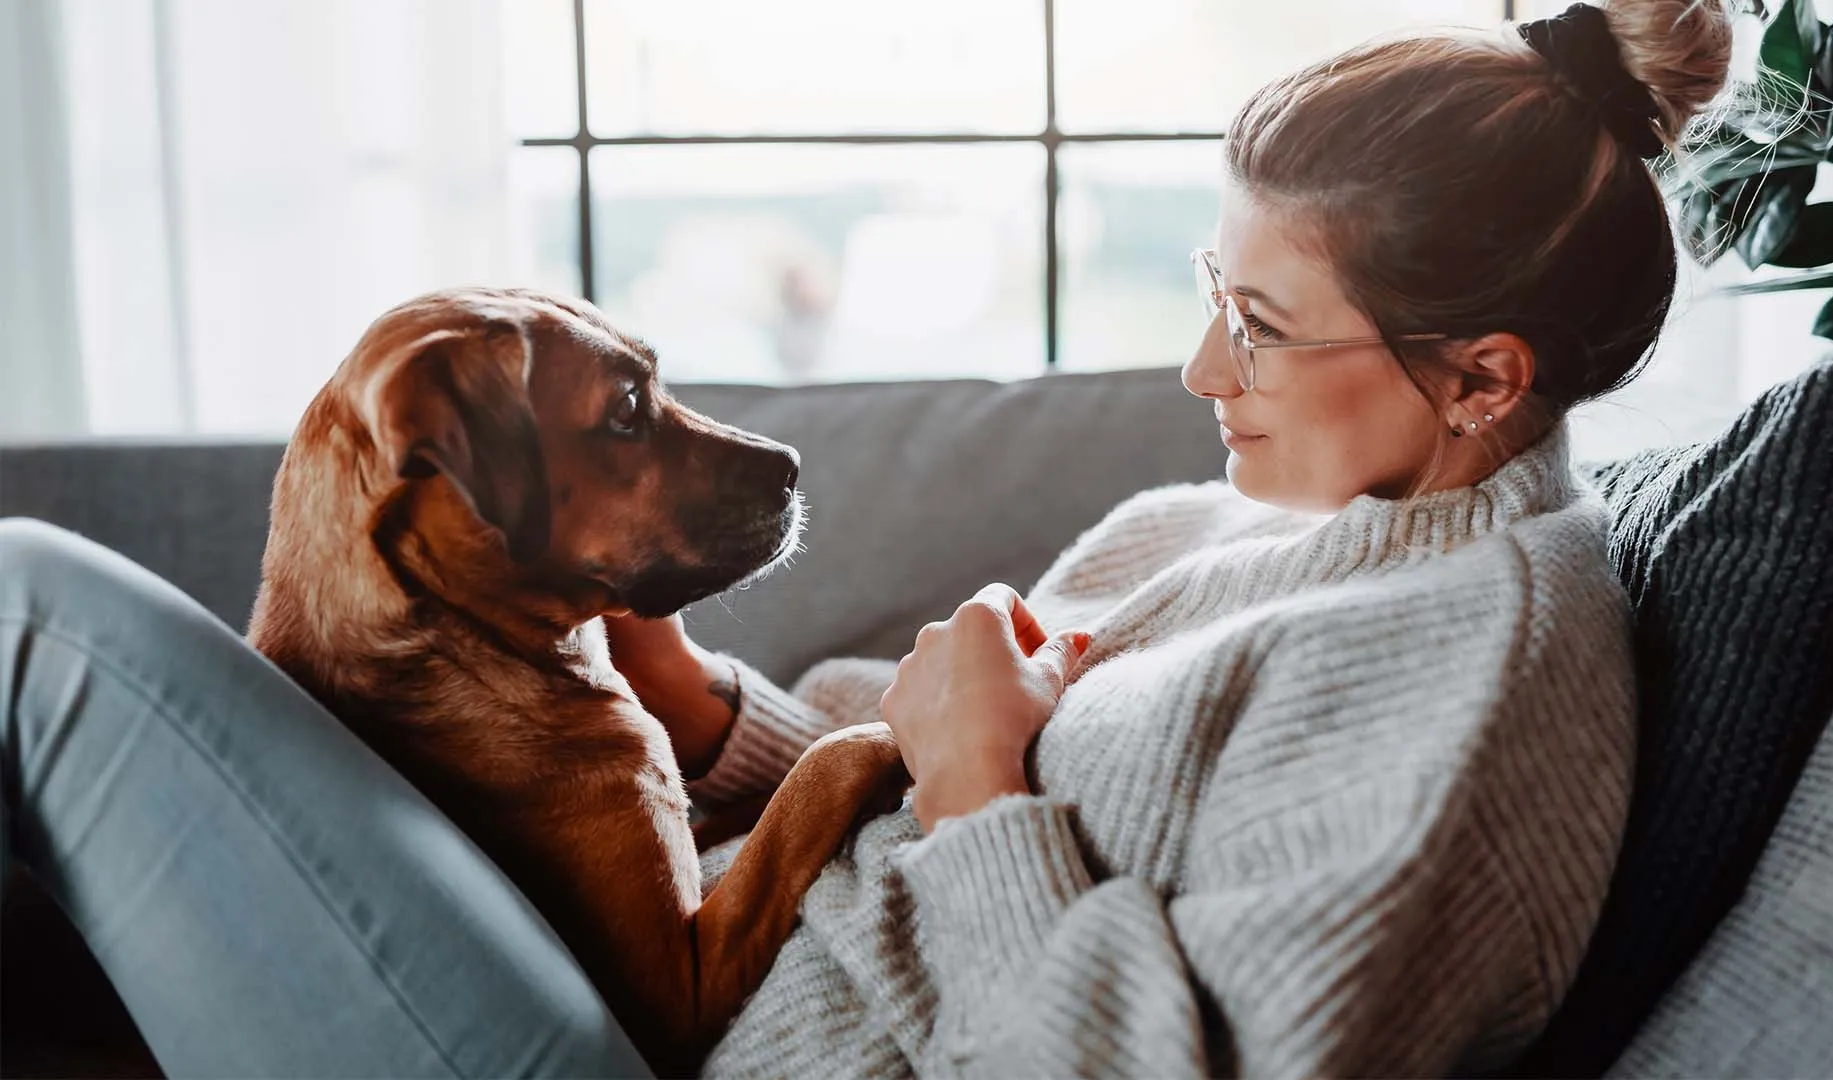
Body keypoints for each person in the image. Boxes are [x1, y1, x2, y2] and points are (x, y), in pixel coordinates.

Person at [0, 0, 1730, 1074]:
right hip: (652, 958)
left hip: (660, 1047)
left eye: (1261, 327)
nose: (1202, 370)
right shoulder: (1211, 526)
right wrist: (703, 712)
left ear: (1484, 376)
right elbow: (879, 757)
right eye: (1219, 291)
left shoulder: (1472, 686)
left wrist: (978, 788)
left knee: (27, 616)